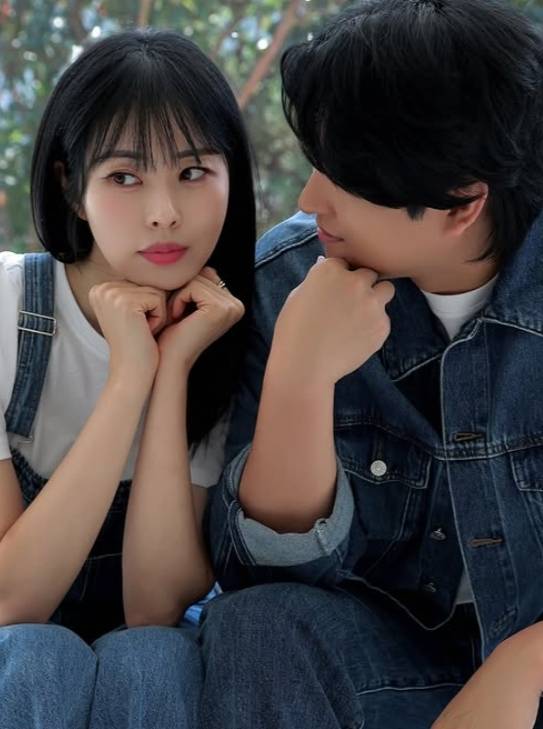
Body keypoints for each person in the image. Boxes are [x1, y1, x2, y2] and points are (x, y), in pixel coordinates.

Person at [199, 1, 543, 727]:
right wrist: (299, 374)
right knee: (255, 627)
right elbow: (262, 572)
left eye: (345, 176)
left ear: (461, 203)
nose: (309, 198)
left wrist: (526, 659)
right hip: (393, 669)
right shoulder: (285, 280)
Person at [0, 28, 255, 729]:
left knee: (155, 658)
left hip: (139, 676)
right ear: (70, 187)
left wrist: (171, 369)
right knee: (38, 654)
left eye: (193, 172)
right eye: (124, 177)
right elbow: (11, 602)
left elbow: (154, 606)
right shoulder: (7, 308)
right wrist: (127, 378)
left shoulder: (223, 326)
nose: (164, 211)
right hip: (15, 661)